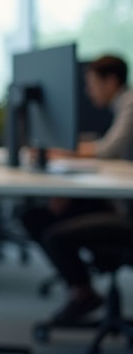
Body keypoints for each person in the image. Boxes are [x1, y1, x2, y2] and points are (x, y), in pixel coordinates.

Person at [32, 55, 133, 322]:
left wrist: (65, 150)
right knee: (34, 216)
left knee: (54, 235)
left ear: (111, 81)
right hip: (118, 201)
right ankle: (82, 289)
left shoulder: (130, 102)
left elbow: (108, 150)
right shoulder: (122, 104)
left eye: (92, 83)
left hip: (126, 212)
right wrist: (68, 147)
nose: (88, 91)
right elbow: (102, 144)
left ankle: (83, 293)